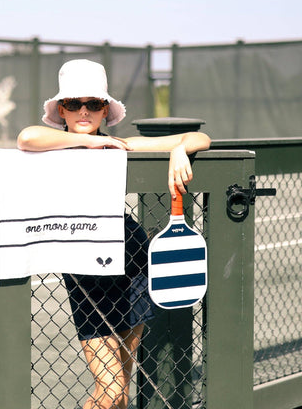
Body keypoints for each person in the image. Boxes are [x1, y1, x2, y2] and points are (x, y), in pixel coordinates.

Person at [17, 59, 211, 409]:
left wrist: (180, 149)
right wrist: (88, 145)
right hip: (86, 273)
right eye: (74, 104)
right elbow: (26, 137)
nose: (84, 111)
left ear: (105, 110)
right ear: (61, 109)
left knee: (120, 391)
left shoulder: (121, 144)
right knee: (109, 392)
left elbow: (200, 137)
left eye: (94, 104)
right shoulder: (52, 144)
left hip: (132, 264)